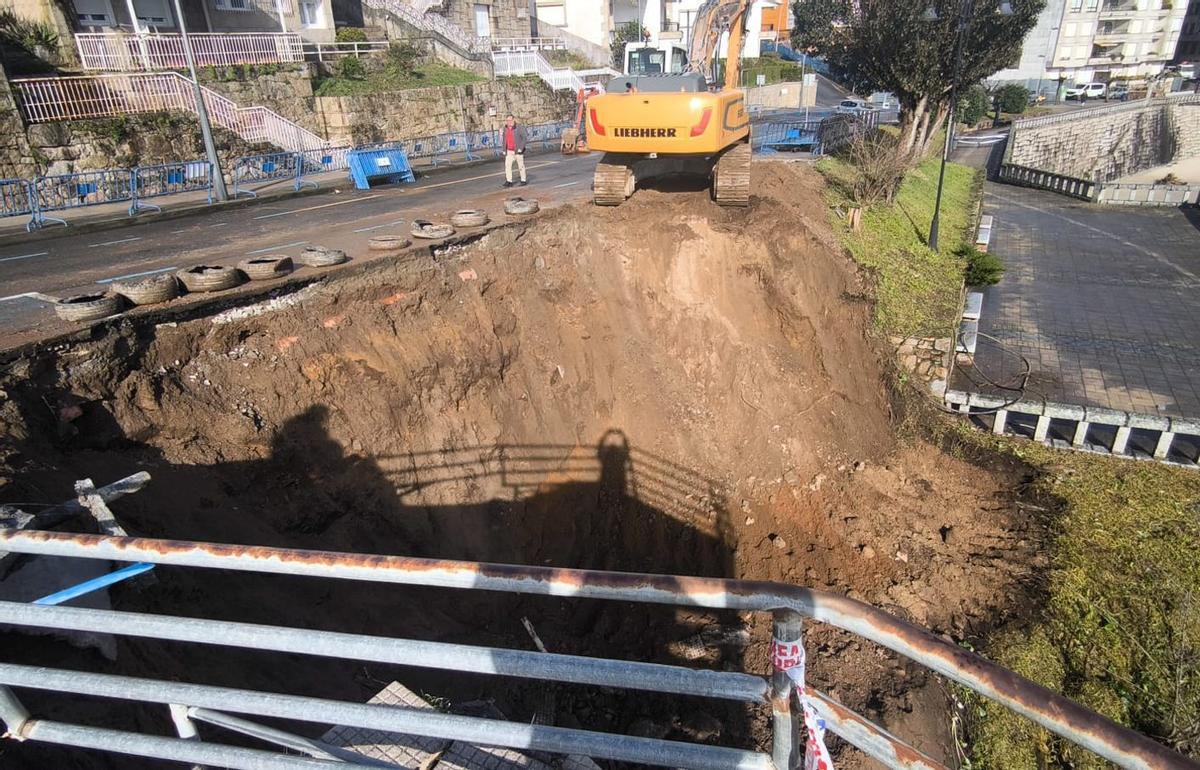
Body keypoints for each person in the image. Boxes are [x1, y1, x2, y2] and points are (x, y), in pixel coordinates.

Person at [501, 114, 528, 188]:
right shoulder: (505, 129)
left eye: (510, 120)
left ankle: (523, 180)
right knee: (507, 166)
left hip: (518, 151)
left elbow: (524, 138)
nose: (509, 122)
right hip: (509, 151)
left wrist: (521, 148)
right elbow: (504, 139)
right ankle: (509, 181)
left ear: (513, 120)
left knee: (521, 166)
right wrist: (504, 149)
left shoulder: (519, 127)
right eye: (507, 120)